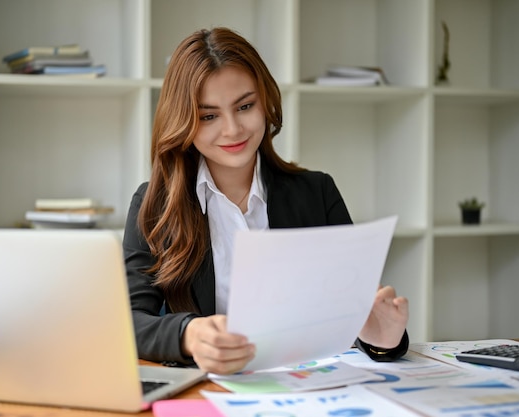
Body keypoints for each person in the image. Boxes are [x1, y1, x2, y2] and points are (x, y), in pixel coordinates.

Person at [123, 27, 409, 375]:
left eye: (245, 106)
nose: (233, 129)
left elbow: (356, 313)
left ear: (265, 100)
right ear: (184, 120)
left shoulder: (317, 194)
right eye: (209, 115)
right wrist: (188, 334)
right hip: (209, 390)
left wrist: (384, 339)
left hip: (307, 390)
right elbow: (130, 322)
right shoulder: (155, 205)